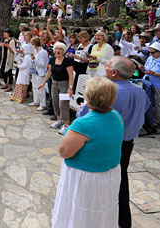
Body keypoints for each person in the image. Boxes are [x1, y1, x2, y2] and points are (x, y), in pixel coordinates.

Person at [77, 57, 150, 227]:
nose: (105, 68)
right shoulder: (140, 91)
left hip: (106, 143)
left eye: (107, 66)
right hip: (127, 142)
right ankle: (123, 221)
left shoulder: (108, 91)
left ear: (114, 72)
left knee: (100, 181)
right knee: (120, 179)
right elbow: (145, 109)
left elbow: (86, 116)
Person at [52, 77, 124, 228]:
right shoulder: (116, 116)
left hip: (87, 177)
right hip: (109, 174)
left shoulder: (84, 123)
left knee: (81, 212)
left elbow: (65, 151)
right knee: (102, 210)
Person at [39, 42, 74, 135]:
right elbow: (49, 72)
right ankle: (59, 121)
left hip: (64, 84)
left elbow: (71, 75)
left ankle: (66, 124)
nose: (58, 51)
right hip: (54, 83)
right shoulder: (53, 59)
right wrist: (43, 82)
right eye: (57, 49)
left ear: (64, 51)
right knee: (55, 102)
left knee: (63, 104)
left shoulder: (67, 61)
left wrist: (70, 88)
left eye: (60, 49)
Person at [141, 42, 160, 127]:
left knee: (157, 103)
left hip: (158, 84)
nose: (151, 54)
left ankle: (158, 121)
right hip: (147, 82)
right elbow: (146, 70)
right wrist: (142, 69)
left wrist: (155, 74)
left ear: (159, 51)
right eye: (150, 52)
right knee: (147, 101)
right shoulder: (150, 58)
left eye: (153, 52)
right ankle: (149, 119)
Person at [29, 37, 49, 111]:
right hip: (34, 71)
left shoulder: (43, 52)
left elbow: (42, 65)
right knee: (34, 87)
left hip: (40, 72)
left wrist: (34, 59)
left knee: (40, 88)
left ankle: (43, 104)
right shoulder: (35, 51)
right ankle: (36, 101)